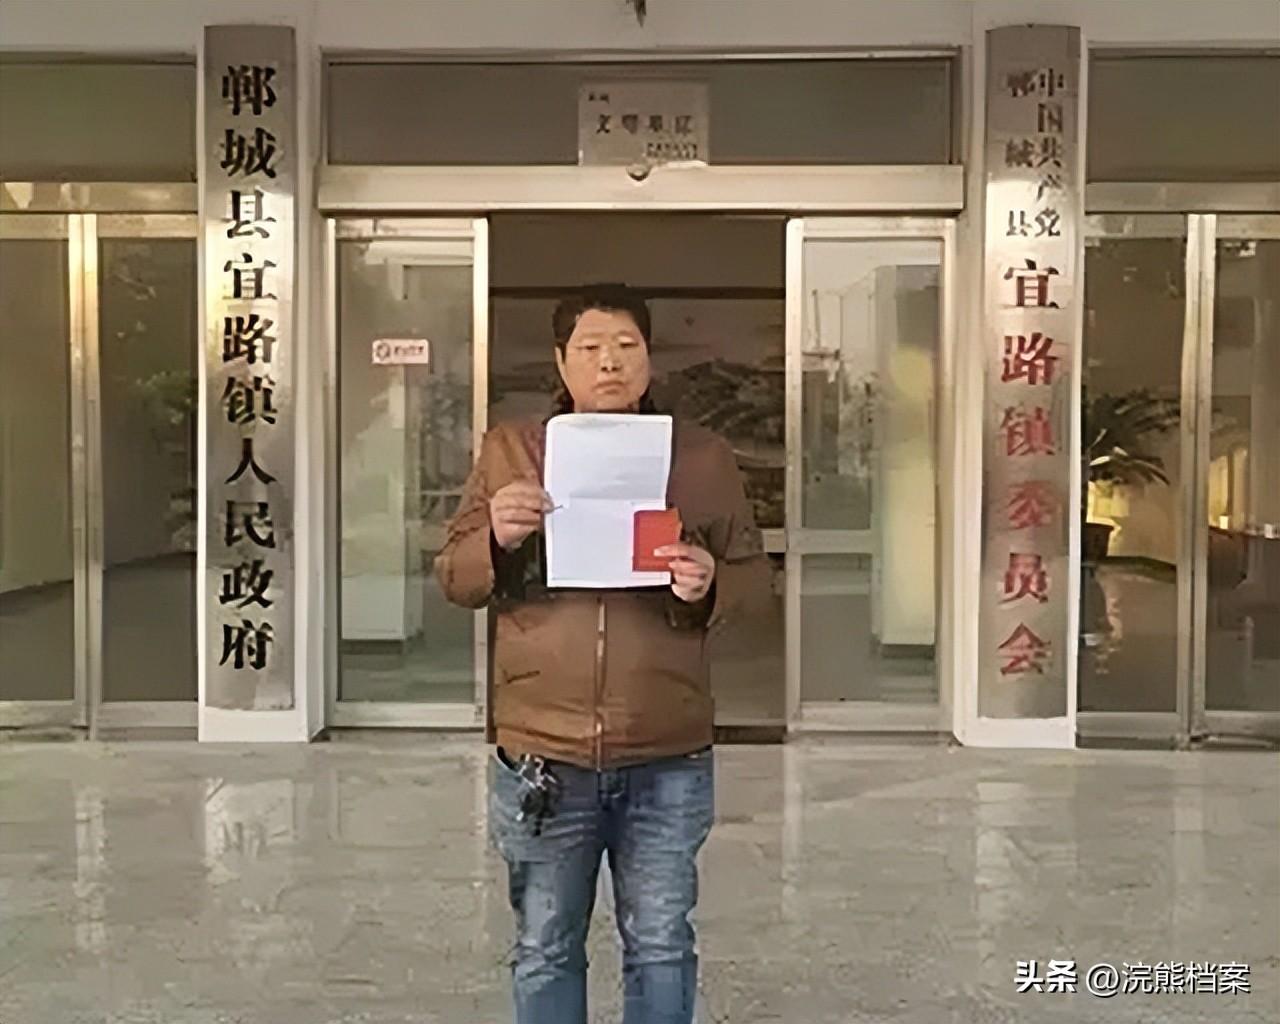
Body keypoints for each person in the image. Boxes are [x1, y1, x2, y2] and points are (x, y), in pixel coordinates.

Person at [435, 284, 768, 1024]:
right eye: (589, 347)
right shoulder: (511, 450)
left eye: (626, 346)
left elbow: (755, 586)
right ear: (561, 361)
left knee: (661, 943)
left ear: (649, 358)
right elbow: (455, 576)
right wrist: (497, 538)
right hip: (543, 752)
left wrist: (711, 583)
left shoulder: (703, 457)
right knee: (545, 944)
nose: (609, 362)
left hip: (667, 749)